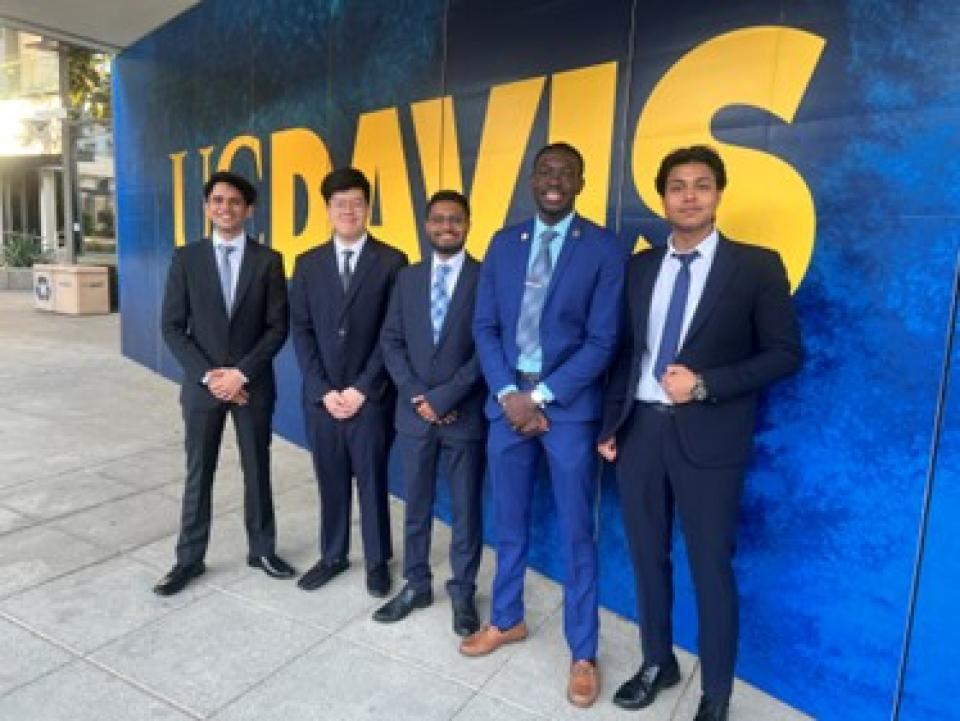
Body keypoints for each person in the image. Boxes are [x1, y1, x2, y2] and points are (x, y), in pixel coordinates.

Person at [598, 145, 802, 721]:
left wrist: (706, 384)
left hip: (710, 440)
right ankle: (657, 661)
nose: (689, 195)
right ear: (661, 197)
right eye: (678, 186)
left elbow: (786, 355)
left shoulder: (757, 266)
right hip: (639, 432)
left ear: (718, 194)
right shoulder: (639, 266)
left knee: (710, 567)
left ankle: (716, 695)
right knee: (646, 557)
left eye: (702, 185)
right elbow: (623, 354)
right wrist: (611, 423)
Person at [464, 142, 624, 708]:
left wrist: (543, 396)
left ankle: (583, 651)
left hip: (568, 410)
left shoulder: (603, 248)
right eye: (546, 171)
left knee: (580, 532)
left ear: (581, 182)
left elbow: (604, 340)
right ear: (532, 179)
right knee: (508, 523)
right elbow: (485, 327)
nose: (555, 180)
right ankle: (506, 619)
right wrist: (510, 393)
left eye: (566, 172)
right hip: (507, 406)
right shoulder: (505, 244)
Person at [155, 170, 295, 596]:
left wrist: (240, 374)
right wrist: (211, 376)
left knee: (257, 468)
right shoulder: (187, 258)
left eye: (235, 202)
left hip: (252, 384)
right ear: (207, 207)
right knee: (199, 472)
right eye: (217, 200)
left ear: (248, 210)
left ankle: (263, 550)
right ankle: (189, 559)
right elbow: (172, 327)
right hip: (203, 388)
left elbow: (277, 328)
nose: (225, 208)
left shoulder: (268, 260)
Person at [290, 167, 407, 598]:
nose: (348, 211)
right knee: (330, 477)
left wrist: (361, 388)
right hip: (321, 399)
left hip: (371, 397)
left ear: (368, 208)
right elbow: (300, 332)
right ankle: (333, 555)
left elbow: (393, 333)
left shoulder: (392, 261)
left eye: (356, 203)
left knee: (372, 479)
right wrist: (323, 389)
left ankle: (378, 561)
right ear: (327, 210)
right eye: (340, 204)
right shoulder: (306, 264)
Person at [374, 190, 486, 637]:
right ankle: (416, 583)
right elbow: (391, 341)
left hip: (464, 416)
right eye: (438, 219)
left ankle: (463, 592)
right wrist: (419, 395)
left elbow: (488, 349)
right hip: (414, 415)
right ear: (426, 225)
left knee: (465, 510)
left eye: (455, 220)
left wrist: (446, 398)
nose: (446, 227)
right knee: (416, 505)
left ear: (468, 224)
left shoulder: (484, 277)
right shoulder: (408, 278)